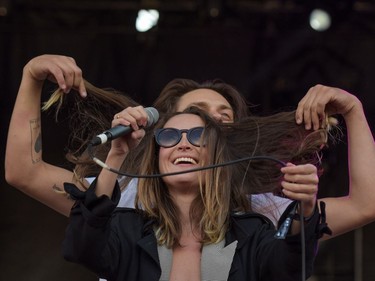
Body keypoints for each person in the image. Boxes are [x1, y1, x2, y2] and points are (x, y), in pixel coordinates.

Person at [5, 54, 375, 240]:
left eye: (222, 117)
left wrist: (352, 110)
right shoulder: (120, 198)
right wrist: (32, 74)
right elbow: (25, 171)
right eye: (195, 116)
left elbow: (364, 205)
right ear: (164, 134)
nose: (209, 125)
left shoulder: (263, 210)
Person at [62, 107, 324, 280]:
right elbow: (82, 247)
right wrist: (117, 154)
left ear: (215, 155)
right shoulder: (127, 230)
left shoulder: (251, 233)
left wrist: (306, 206)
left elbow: (291, 268)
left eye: (198, 135)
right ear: (156, 158)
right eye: (169, 136)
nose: (184, 144)